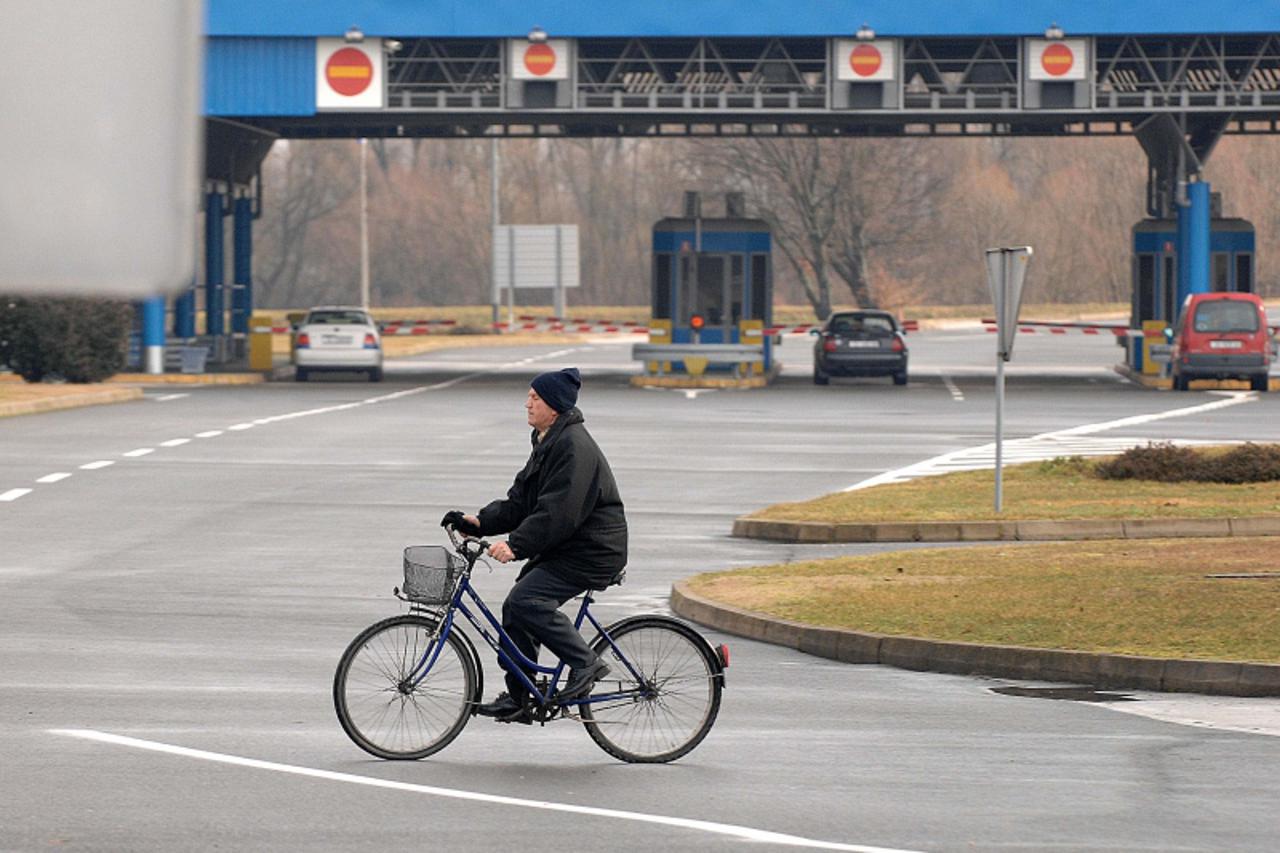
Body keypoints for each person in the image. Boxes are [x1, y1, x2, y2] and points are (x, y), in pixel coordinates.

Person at [442, 367, 628, 724]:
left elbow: (559, 513)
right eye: (529, 396)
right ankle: (521, 697)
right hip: (569, 547)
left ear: (554, 406)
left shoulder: (573, 448)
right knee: (517, 607)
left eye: (535, 397)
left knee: (527, 600)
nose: (527, 402)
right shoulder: (548, 440)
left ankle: (586, 663)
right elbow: (522, 502)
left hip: (593, 550)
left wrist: (515, 545)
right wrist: (479, 523)